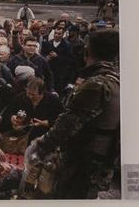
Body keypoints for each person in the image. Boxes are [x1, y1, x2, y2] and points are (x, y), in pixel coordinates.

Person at [30, 29, 120, 198]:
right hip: (100, 161)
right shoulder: (116, 79)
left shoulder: (96, 84)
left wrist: (39, 147)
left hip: (83, 162)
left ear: (88, 51)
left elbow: (67, 125)